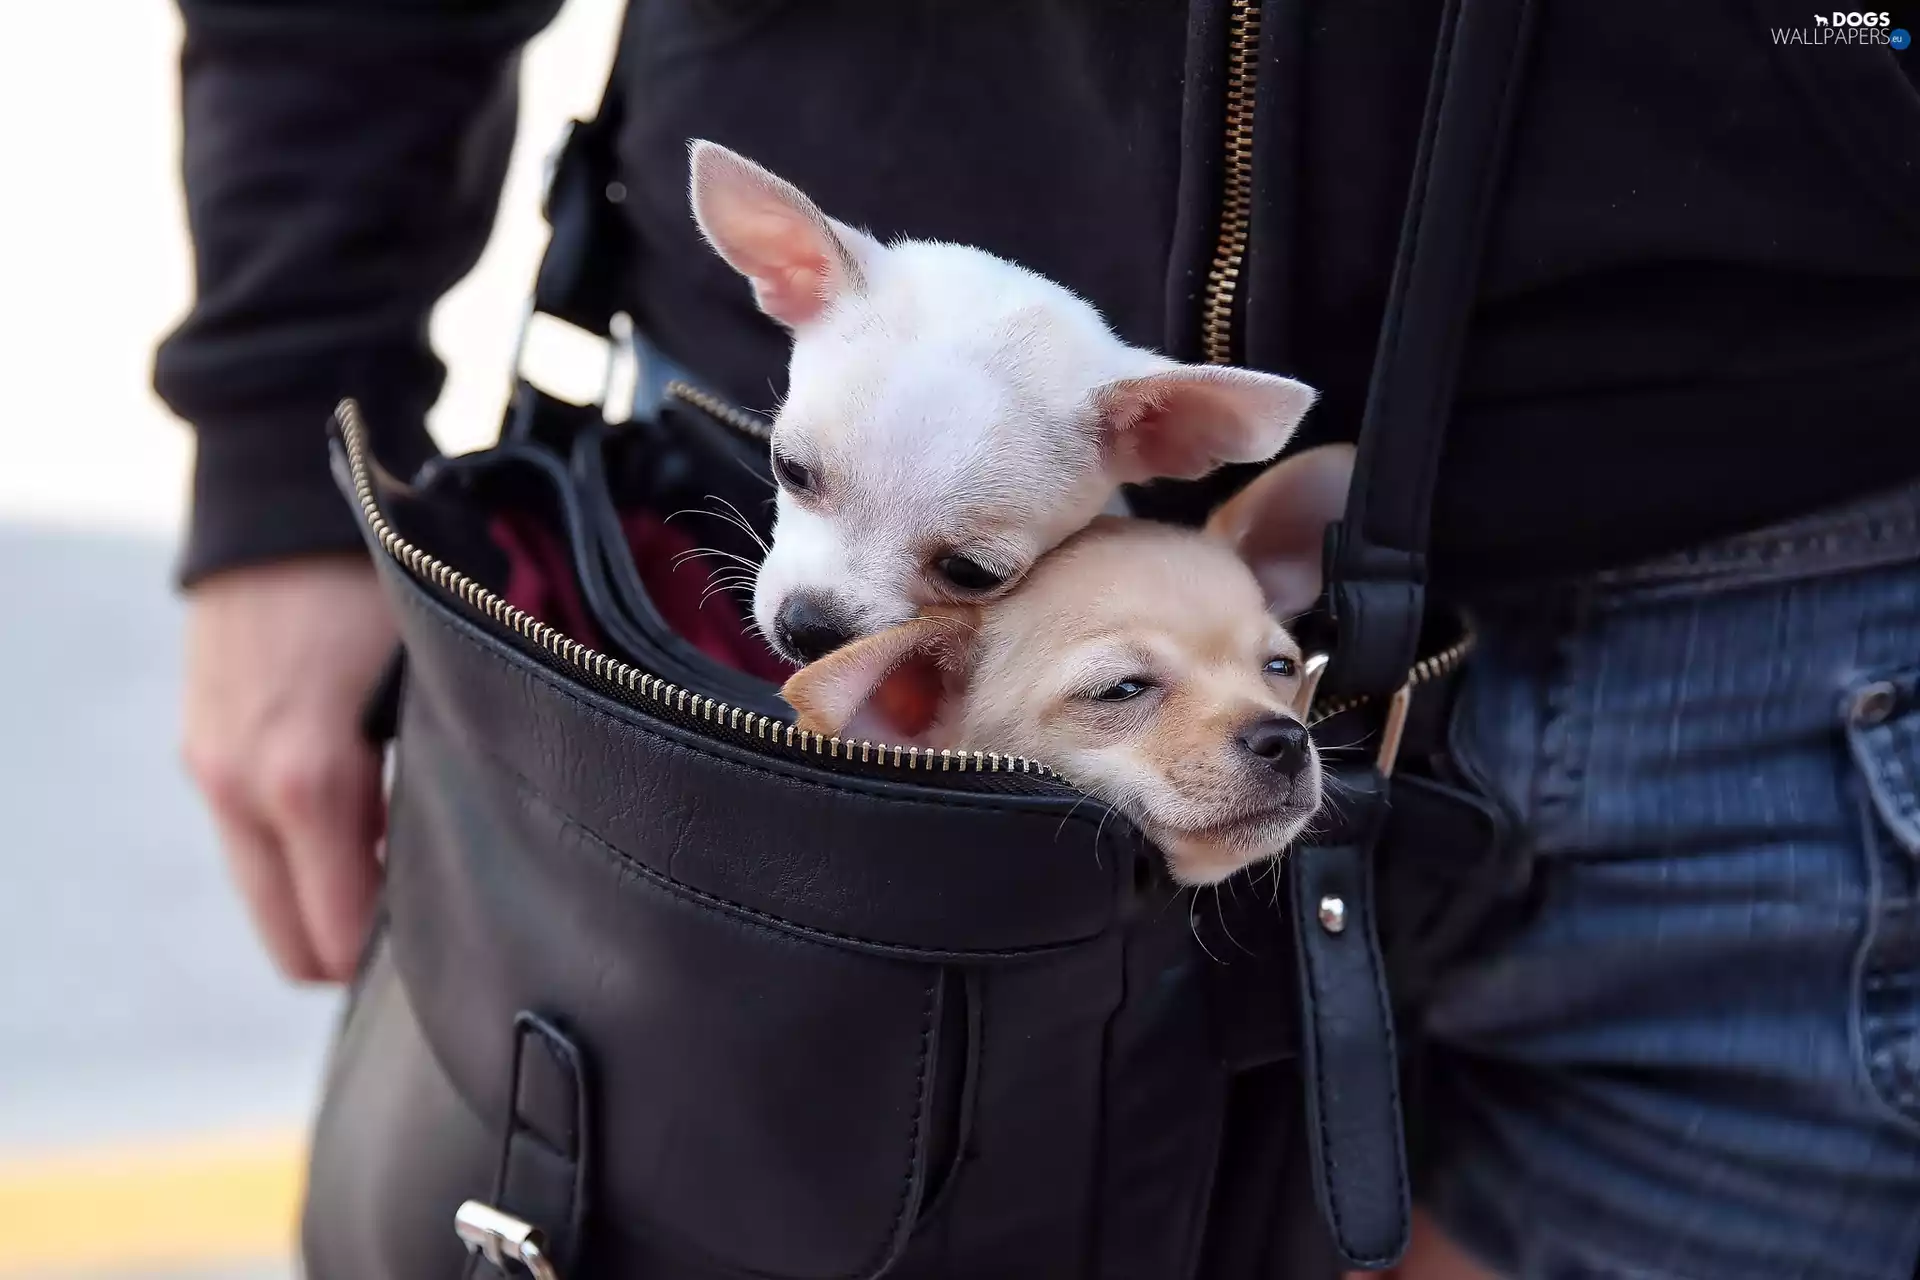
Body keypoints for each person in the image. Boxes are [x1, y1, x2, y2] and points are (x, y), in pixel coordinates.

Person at [155, 3, 1920, 1277]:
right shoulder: (811, 548)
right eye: (817, 481)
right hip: (710, 556)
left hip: (1767, 582)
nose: (828, 582)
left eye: (959, 560)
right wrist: (279, 429)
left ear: (1162, 441)